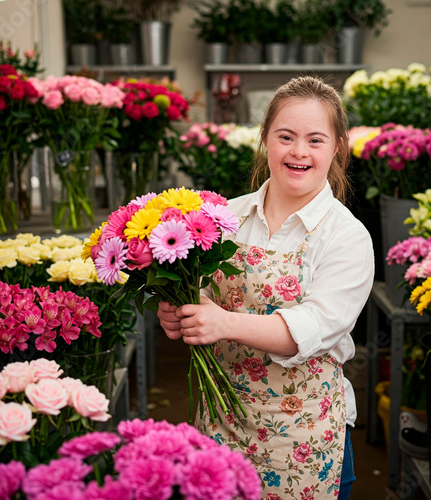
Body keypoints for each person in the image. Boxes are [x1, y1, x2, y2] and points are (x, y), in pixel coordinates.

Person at [158, 76, 375, 500]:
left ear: (336, 149)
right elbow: (201, 296)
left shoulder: (347, 236)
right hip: (219, 422)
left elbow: (313, 326)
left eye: (315, 140)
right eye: (286, 136)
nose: (298, 151)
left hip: (301, 438)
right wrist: (183, 313)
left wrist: (222, 323)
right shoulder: (224, 218)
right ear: (265, 140)